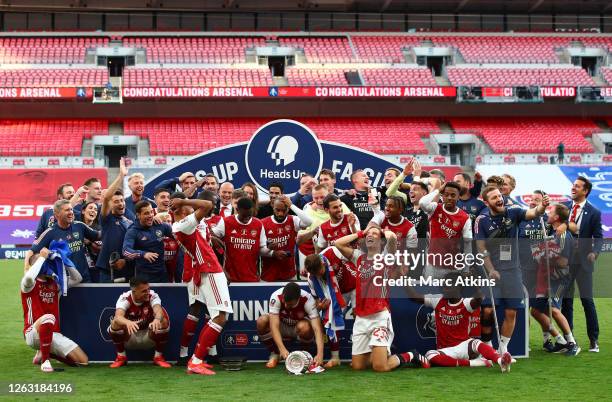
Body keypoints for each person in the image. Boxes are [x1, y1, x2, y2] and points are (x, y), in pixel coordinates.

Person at [334, 225, 430, 372]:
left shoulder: (386, 257)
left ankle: (409, 355)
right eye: (368, 234)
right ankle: (380, 352)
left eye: (374, 234)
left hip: (379, 316)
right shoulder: (359, 258)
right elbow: (338, 243)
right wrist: (361, 232)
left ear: (381, 241)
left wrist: (382, 230)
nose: (369, 235)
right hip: (361, 318)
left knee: (380, 367)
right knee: (358, 367)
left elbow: (392, 238)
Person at [475, 185, 549, 356]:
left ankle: (503, 349)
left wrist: (542, 206)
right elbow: (481, 248)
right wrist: (491, 269)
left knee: (511, 311)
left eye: (499, 195)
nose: (499, 199)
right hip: (491, 272)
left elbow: (533, 213)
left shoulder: (514, 211)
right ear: (486, 202)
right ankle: (486, 348)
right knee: (487, 310)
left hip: (513, 271)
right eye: (494, 198)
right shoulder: (482, 220)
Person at [408, 271, 512, 372]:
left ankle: (501, 360)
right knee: (430, 355)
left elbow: (479, 299)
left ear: (458, 287)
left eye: (448, 286)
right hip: (446, 350)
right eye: (443, 285)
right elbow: (414, 297)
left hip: (464, 346)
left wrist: (473, 282)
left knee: (476, 343)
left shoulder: (466, 303)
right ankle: (475, 363)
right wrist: (403, 279)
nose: (444, 288)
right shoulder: (438, 300)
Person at [171, 191, 229, 370]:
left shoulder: (187, 223)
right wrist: (184, 200)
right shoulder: (184, 224)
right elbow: (206, 205)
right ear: (181, 209)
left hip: (206, 268)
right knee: (218, 316)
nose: (194, 208)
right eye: (190, 207)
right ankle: (194, 360)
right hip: (207, 269)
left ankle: (198, 358)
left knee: (216, 316)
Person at [21, 249, 88, 372]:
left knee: (83, 361)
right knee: (49, 317)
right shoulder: (28, 284)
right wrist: (41, 258)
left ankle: (43, 353)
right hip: (32, 332)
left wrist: (65, 260)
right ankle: (45, 362)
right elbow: (29, 276)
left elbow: (77, 278)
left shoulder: (55, 283)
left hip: (53, 334)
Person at [529, 204, 580, 356]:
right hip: (547, 278)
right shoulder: (556, 231)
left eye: (551, 212)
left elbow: (563, 262)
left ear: (556, 217)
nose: (548, 214)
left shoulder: (563, 235)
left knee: (554, 309)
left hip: (559, 279)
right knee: (536, 311)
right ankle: (560, 341)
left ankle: (572, 343)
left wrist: (542, 256)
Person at [562, 176, 602, 353]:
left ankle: (593, 340)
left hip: (584, 263)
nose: (573, 188)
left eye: (577, 186)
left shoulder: (594, 212)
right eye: (573, 186)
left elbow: (599, 237)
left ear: (585, 191)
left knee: (587, 301)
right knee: (566, 301)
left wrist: (595, 252)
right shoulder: (564, 207)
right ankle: (569, 340)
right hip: (565, 262)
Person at [29, 200, 101, 283]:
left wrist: (110, 228)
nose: (71, 212)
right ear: (57, 214)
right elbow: (33, 252)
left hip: (84, 278)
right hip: (65, 282)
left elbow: (98, 235)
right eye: (67, 210)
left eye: (71, 209)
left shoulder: (80, 226)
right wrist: (30, 269)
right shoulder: (49, 233)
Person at [256, 282, 325, 369]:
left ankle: (305, 356)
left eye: (289, 304)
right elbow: (274, 326)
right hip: (282, 326)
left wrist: (320, 354)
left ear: (298, 299)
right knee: (262, 321)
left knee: (305, 327)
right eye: (284, 302)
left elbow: (317, 329)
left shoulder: (307, 300)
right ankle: (275, 354)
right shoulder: (276, 296)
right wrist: (282, 349)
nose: (285, 305)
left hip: (298, 327)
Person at [212, 197, 282, 282]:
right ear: (237, 210)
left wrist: (270, 249)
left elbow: (261, 250)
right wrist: (212, 238)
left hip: (252, 278)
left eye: (249, 215)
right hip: (230, 278)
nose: (247, 219)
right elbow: (209, 238)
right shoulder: (226, 222)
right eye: (244, 216)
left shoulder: (258, 224)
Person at [108, 277, 171, 368]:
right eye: (144, 291)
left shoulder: (152, 295)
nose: (147, 293)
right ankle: (121, 357)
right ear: (134, 291)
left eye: (148, 289)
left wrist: (157, 319)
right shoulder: (125, 298)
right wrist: (127, 322)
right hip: (130, 336)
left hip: (148, 335)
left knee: (163, 321)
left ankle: (158, 357)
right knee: (115, 323)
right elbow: (118, 317)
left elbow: (158, 310)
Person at [304, 252, 351, 368]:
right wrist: (320, 306)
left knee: (360, 318)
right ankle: (335, 358)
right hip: (334, 297)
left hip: (351, 287)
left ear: (322, 263)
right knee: (330, 317)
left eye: (320, 271)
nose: (319, 275)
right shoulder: (311, 278)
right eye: (316, 275)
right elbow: (316, 300)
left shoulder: (333, 253)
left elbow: (352, 257)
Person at [419, 181, 472, 280]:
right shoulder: (435, 208)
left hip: (453, 267)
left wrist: (466, 269)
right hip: (432, 265)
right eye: (446, 194)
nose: (449, 198)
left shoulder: (465, 217)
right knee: (430, 294)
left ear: (458, 197)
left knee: (451, 295)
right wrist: (438, 190)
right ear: (442, 196)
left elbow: (468, 245)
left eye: (453, 195)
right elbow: (422, 203)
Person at [96, 159, 134, 283]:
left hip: (127, 269)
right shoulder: (106, 218)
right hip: (108, 270)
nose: (120, 203)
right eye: (116, 201)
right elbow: (106, 197)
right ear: (110, 204)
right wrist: (121, 175)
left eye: (122, 200)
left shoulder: (131, 219)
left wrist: (126, 260)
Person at [261, 196, 313, 281]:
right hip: (268, 275)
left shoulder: (293, 220)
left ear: (288, 209)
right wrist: (272, 253)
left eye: (284, 210)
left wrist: (291, 205)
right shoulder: (263, 223)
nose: (280, 214)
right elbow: (259, 250)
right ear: (272, 207)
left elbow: (309, 222)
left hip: (289, 274)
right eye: (277, 210)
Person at [122, 200, 173, 283]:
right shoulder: (133, 231)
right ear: (138, 215)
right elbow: (125, 251)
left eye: (151, 212)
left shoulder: (160, 225)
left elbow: (178, 236)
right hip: (144, 276)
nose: (150, 215)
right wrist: (143, 254)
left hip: (162, 273)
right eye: (146, 213)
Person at [80, 201, 102, 282]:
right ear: (83, 211)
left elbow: (101, 249)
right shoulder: (76, 227)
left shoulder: (99, 229)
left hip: (95, 269)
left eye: (96, 209)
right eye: (90, 208)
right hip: (79, 268)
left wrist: (89, 242)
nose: (93, 211)